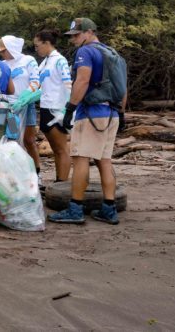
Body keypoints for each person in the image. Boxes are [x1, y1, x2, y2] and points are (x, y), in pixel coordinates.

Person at [49, 18, 125, 225]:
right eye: (72, 35)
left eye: (77, 34)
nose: (73, 39)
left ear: (89, 32)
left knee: (80, 158)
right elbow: (122, 86)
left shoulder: (86, 52)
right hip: (111, 112)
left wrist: (70, 108)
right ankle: (109, 208)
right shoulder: (113, 54)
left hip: (91, 112)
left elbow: (82, 79)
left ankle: (75, 208)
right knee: (104, 160)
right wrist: (122, 111)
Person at [0, 36, 41, 172]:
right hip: (10, 109)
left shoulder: (28, 60)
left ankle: (36, 172)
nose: (2, 54)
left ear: (12, 49)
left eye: (4, 51)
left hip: (26, 105)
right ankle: (16, 172)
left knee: (29, 140)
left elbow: (35, 81)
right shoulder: (2, 64)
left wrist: (25, 96)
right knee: (13, 138)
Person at [33, 29, 72, 183]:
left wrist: (67, 108)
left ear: (47, 43)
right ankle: (59, 180)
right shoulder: (46, 61)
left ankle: (62, 183)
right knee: (55, 149)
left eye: (37, 46)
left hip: (57, 109)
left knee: (61, 149)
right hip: (45, 106)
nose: (36, 49)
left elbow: (68, 84)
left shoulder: (59, 60)